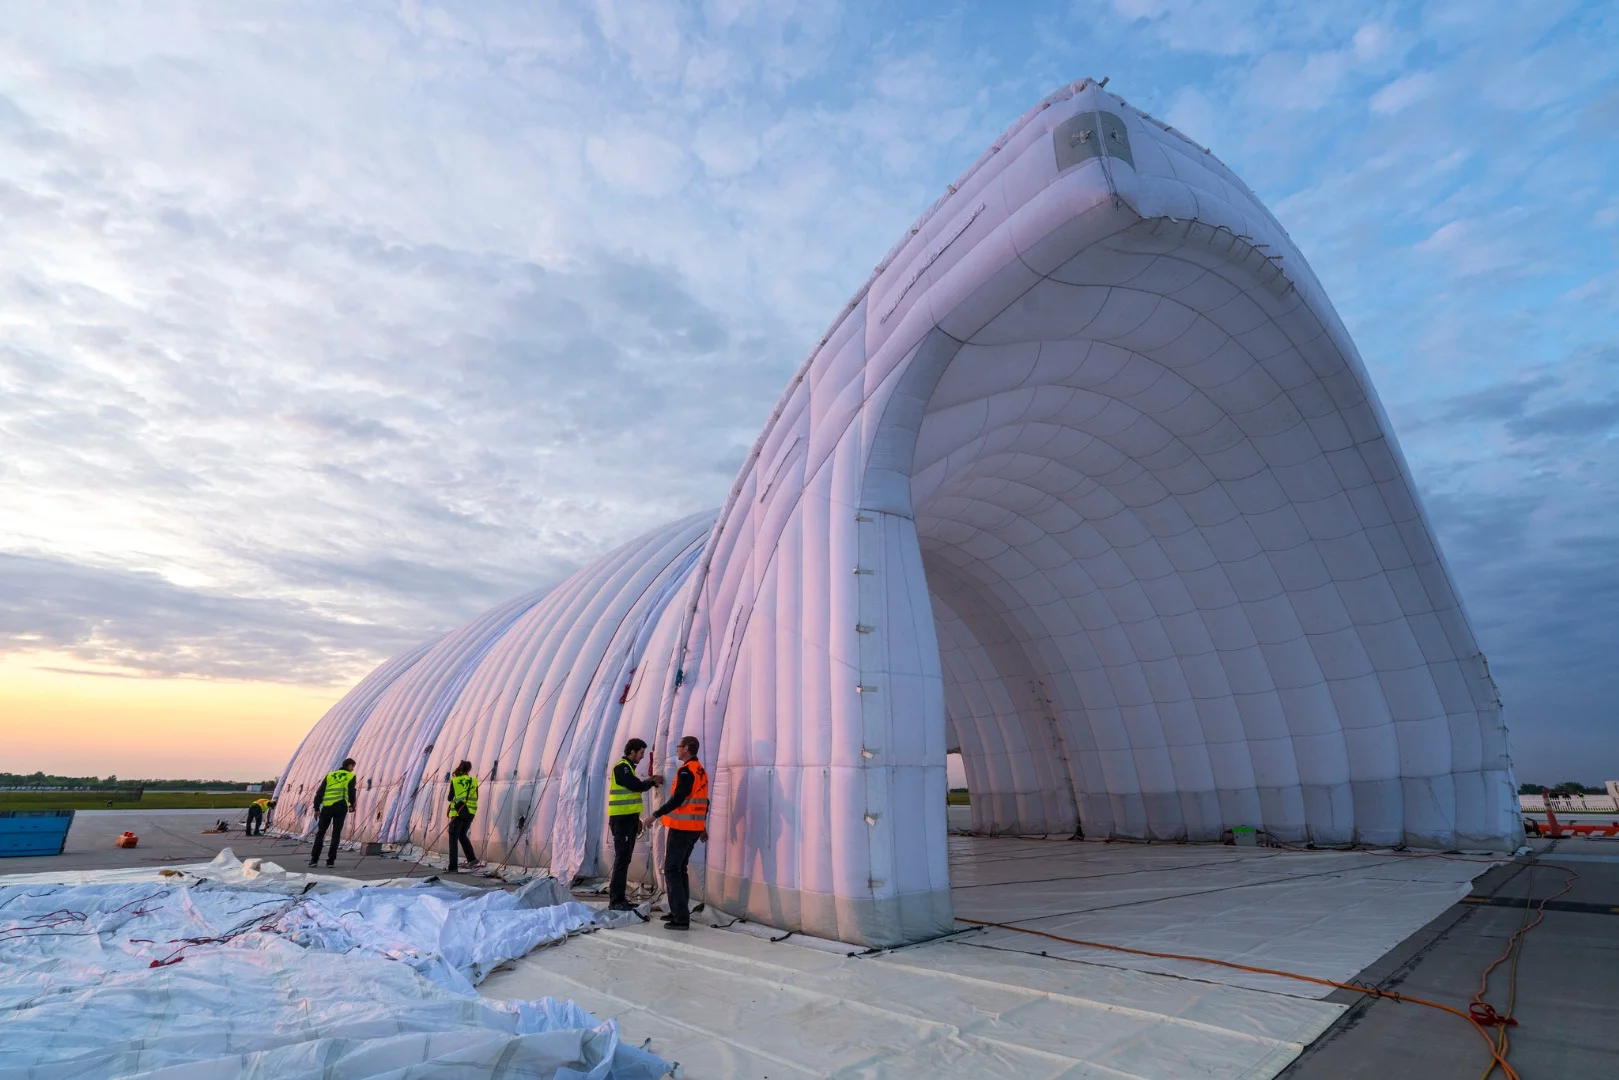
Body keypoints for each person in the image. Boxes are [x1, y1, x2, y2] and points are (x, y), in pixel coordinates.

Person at [648, 735, 708, 931]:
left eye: (679, 746)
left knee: (672, 869)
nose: (677, 749)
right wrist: (702, 826)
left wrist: (655, 815)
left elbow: (678, 799)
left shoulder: (686, 771)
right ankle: (678, 911)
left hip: (682, 828)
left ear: (687, 748)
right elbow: (704, 801)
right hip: (693, 828)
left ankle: (680, 918)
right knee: (680, 869)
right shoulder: (700, 770)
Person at [606, 738, 664, 910]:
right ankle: (616, 901)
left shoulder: (629, 768)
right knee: (622, 859)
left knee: (625, 859)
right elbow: (635, 786)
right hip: (621, 821)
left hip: (629, 819)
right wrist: (652, 781)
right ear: (632, 751)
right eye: (641, 753)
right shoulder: (622, 767)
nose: (642, 756)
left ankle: (619, 898)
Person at [309, 758, 357, 868]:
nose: (353, 769)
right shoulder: (350, 776)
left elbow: (320, 792)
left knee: (320, 833)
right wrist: (352, 804)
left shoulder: (330, 775)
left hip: (327, 807)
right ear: (349, 766)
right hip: (340, 807)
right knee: (336, 834)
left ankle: (314, 860)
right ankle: (330, 861)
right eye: (353, 767)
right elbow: (351, 791)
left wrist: (316, 808)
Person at [446, 760, 481, 873]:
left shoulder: (455, 780)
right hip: (470, 812)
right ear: (469, 770)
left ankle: (453, 867)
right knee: (462, 834)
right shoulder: (474, 781)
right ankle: (472, 859)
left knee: (453, 838)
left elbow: (450, 798)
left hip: (458, 812)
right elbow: (476, 797)